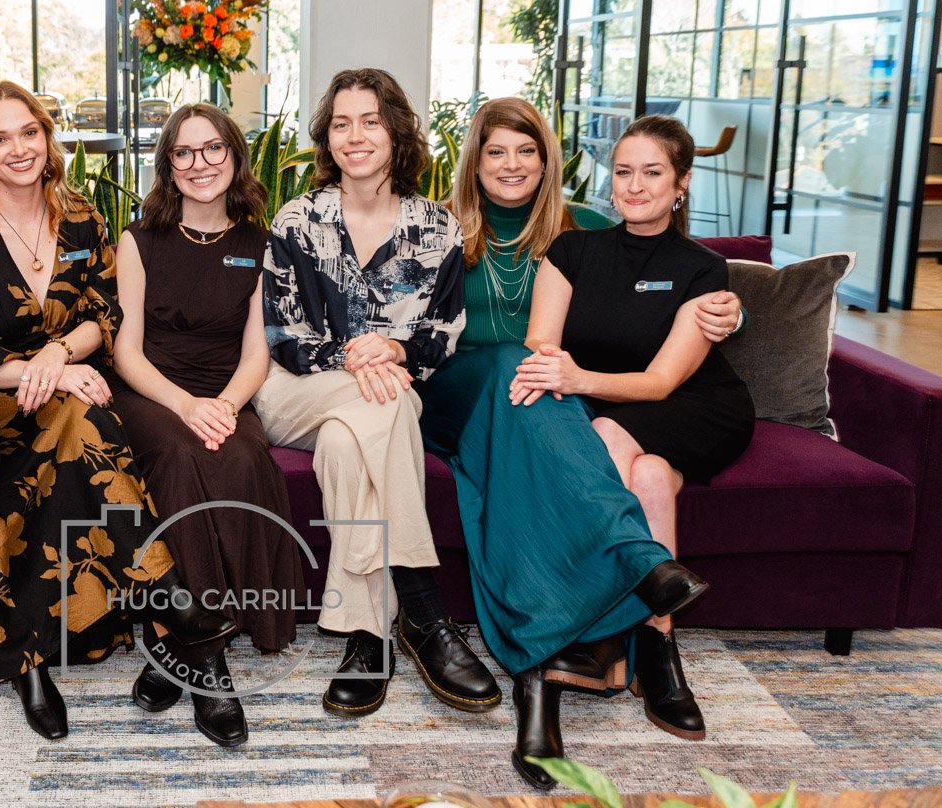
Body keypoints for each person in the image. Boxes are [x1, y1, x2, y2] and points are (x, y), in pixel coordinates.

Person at [419, 98, 740, 790]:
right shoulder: (434, 229)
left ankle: (537, 687)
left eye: (526, 151)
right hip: (458, 395)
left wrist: (733, 302)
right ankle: (637, 563)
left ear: (548, 160)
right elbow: (533, 353)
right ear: (474, 160)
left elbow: (659, 287)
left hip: (533, 408)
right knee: (516, 365)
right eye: (496, 151)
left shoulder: (583, 231)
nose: (511, 165)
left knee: (526, 468)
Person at [0, 81, 233, 742]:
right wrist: (41, 373)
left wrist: (59, 359)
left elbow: (105, 314)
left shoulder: (81, 217)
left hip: (65, 392)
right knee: (83, 417)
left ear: (46, 137)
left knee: (78, 426)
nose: (17, 149)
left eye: (27, 132)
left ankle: (28, 658)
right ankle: (173, 604)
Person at [253, 67, 500, 720]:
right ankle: (425, 613)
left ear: (395, 132)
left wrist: (395, 351)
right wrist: (356, 352)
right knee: (381, 402)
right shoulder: (298, 221)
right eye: (341, 123)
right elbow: (282, 334)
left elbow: (441, 336)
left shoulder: (436, 229)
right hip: (296, 391)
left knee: (353, 437)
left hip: (387, 392)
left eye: (370, 121)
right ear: (327, 139)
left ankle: (368, 637)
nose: (355, 135)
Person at [515, 113, 756, 752]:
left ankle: (602, 633)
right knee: (647, 475)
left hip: (695, 405)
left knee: (613, 441)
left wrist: (577, 376)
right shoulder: (571, 250)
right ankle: (657, 641)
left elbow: (659, 382)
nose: (635, 185)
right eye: (624, 172)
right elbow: (542, 343)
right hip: (605, 403)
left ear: (680, 184)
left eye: (653, 173)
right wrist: (558, 369)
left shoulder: (703, 270)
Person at [111, 102, 304, 748]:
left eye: (213, 149)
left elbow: (258, 352)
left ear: (234, 157)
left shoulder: (258, 243)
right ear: (168, 166)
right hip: (153, 392)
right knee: (179, 455)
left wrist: (222, 405)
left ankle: (182, 652)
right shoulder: (138, 241)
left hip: (227, 390)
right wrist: (187, 406)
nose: (200, 164)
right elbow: (126, 352)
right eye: (185, 152)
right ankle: (211, 660)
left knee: (246, 457)